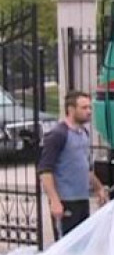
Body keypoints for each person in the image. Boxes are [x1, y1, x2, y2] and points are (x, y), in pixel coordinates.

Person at [38, 91, 108, 240]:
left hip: (82, 199)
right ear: (70, 109)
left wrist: (99, 188)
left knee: (81, 245)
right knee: (66, 247)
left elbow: (85, 167)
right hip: (65, 202)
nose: (89, 112)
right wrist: (55, 201)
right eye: (84, 108)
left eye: (90, 108)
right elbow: (45, 171)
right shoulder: (58, 134)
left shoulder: (83, 133)